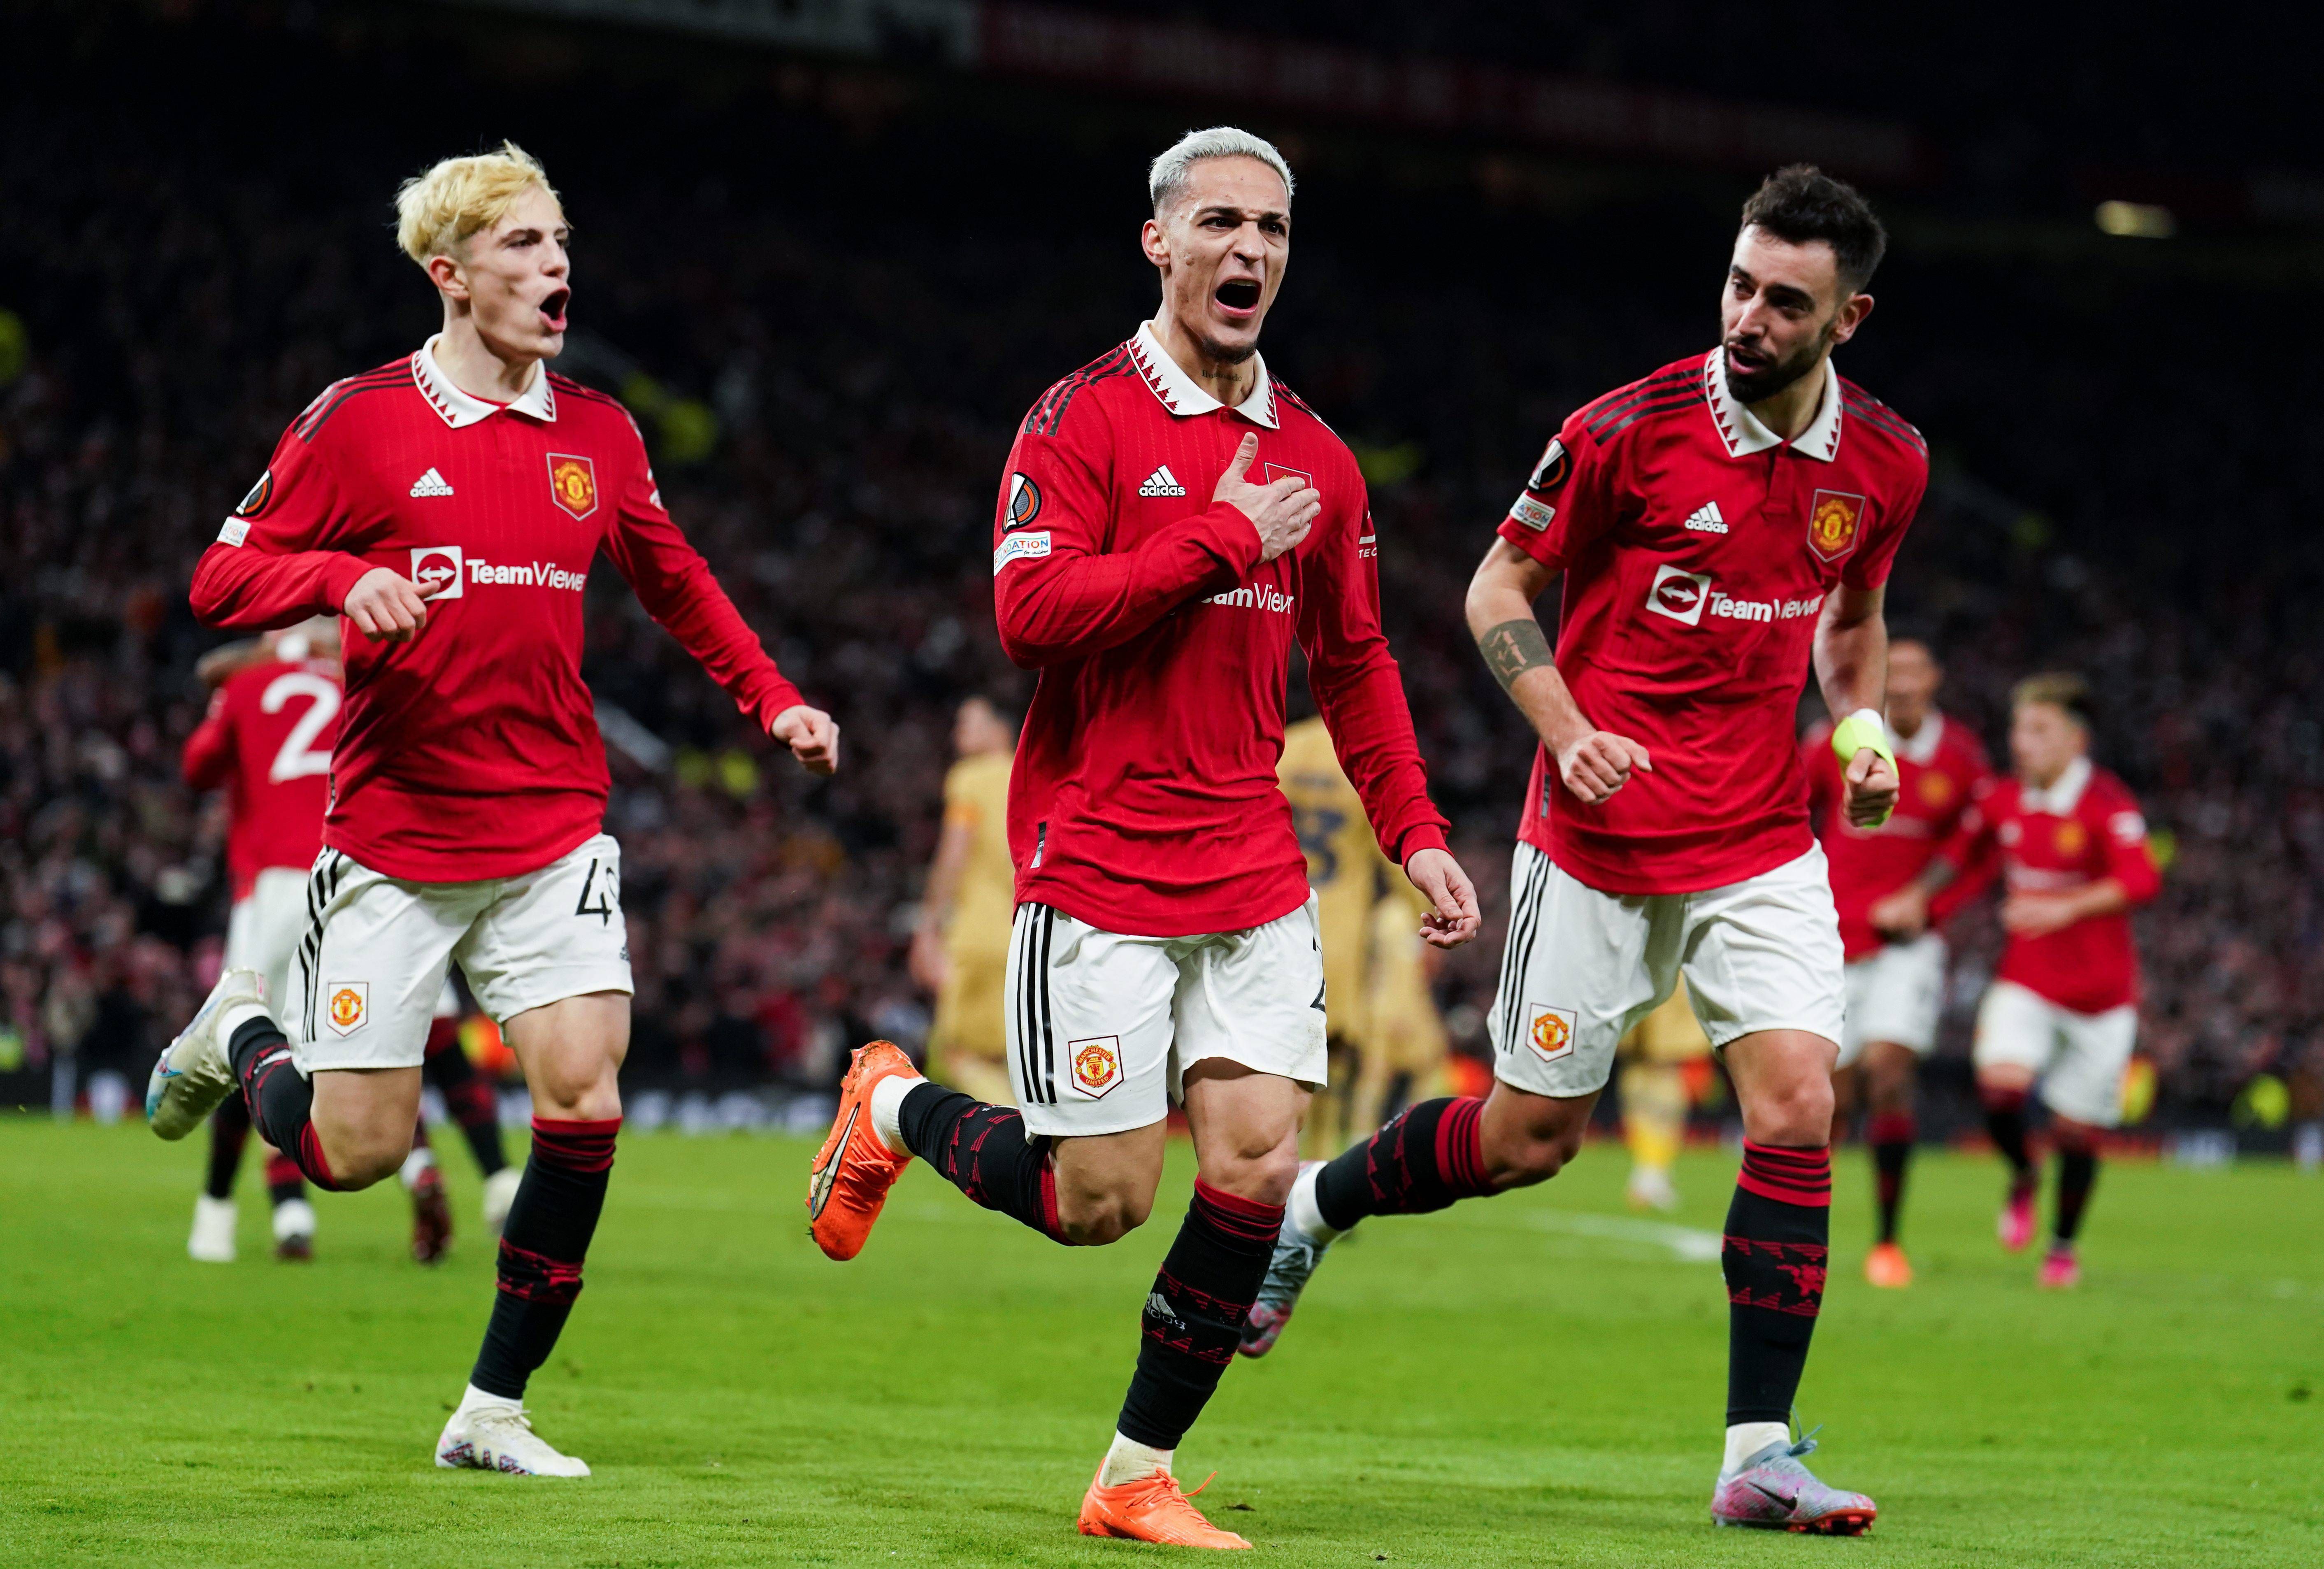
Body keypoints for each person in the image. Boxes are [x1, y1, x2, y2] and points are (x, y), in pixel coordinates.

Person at [804, 126, 1479, 1549]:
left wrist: (1413, 832)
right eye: (1219, 222)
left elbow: (1354, 663)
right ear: (1158, 242)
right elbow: (1029, 617)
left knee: (1254, 1165)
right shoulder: (1078, 420)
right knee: (1097, 1203)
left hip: (1250, 863)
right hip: (1099, 856)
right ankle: (892, 1108)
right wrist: (1218, 539)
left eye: (1271, 229)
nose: (1249, 250)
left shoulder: (1317, 456)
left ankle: (1134, 1471)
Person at [1240, 165, 1927, 1536]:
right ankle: (1312, 1205)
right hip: (1599, 839)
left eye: (1785, 303)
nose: (1748, 318)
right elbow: (1495, 586)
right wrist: (1563, 728)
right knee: (1527, 1140)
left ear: (1847, 318)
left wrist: (1858, 732)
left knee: (1798, 1103)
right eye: (1738, 285)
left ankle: (1757, 1454)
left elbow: (1850, 624)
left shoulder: (1885, 461)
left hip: (1757, 839)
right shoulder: (1624, 431)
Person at [146, 142, 837, 1477]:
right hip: (398, 840)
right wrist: (338, 578)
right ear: (451, 273)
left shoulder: (600, 433)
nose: (556, 265)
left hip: (552, 826)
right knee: (355, 1153)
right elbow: (218, 578)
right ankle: (241, 1031)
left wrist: (774, 699)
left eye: (560, 240)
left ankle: (493, 1409)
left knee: (583, 1090)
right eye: (524, 243)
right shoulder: (358, 421)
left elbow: (677, 580)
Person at [182, 625, 516, 1265]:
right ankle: (480, 1174)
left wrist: (227, 692)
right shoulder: (364, 681)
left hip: (275, 888)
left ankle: (236, 1216)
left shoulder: (246, 684)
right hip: (371, 878)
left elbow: (198, 766)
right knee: (416, 1038)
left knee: (254, 1044)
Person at [1872, 673, 2159, 1289]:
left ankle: (2061, 1247)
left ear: (2075, 741)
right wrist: (1917, 898)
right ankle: (2024, 1171)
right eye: (2019, 730)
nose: (2022, 742)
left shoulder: (2106, 803)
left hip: (2101, 996)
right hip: (2025, 981)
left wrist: (2066, 907)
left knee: (2077, 1132)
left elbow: (2142, 879)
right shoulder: (2002, 798)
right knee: (2000, 1091)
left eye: (2039, 730)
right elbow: (1959, 853)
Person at [1804, 637, 1991, 1287]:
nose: (1905, 683)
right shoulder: (1835, 741)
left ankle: (1887, 1241)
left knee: (1888, 1069)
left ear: (1934, 679)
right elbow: (1787, 808)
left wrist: (1928, 903)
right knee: (1827, 1096)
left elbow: (1981, 846)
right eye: (1896, 671)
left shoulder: (1961, 757)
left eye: (1916, 671)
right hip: (1831, 938)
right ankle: (1806, 1236)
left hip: (1905, 949)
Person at [1277, 708, 1396, 1154]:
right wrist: (1429, 913)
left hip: (1277, 918)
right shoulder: (1363, 757)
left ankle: (1271, 1150)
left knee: (1274, 1047)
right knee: (1334, 1050)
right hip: (1340, 930)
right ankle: (1318, 1154)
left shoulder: (1282, 749)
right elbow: (1394, 849)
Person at [910, 696, 1020, 1106]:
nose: (959, 732)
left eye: (971, 723)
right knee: (1003, 1056)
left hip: (977, 936)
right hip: (1022, 934)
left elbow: (954, 855)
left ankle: (1019, 1134)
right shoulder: (1030, 775)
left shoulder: (969, 778)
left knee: (956, 1053)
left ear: (1001, 729)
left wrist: (927, 927)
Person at [1615, 981, 1712, 1213]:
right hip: (1652, 1035)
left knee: (1657, 1100)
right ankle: (1650, 1173)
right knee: (1649, 1099)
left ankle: (1651, 1172)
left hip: (1658, 1031)